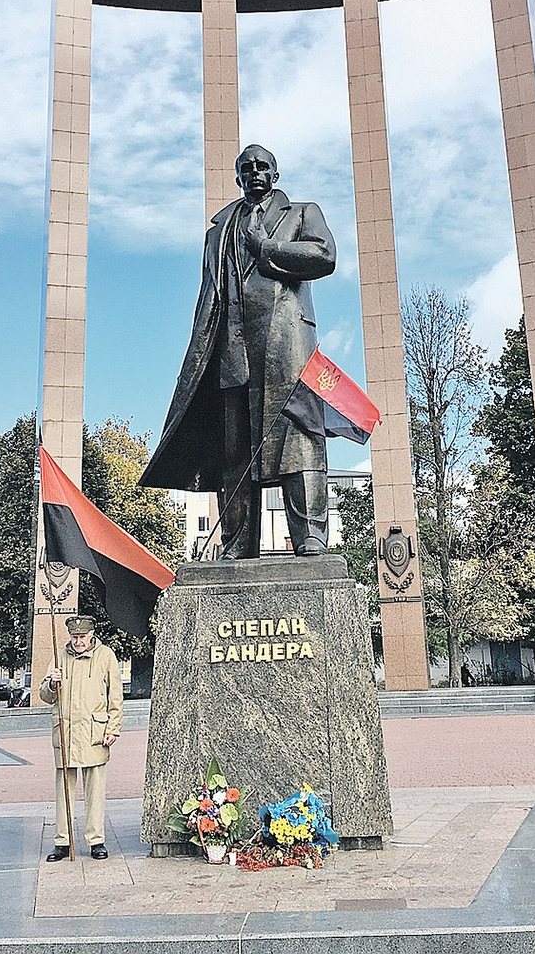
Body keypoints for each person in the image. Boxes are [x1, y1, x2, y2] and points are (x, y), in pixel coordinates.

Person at [141, 144, 337, 560]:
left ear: (276, 174)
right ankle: (237, 544)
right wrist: (199, 355)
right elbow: (207, 296)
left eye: (262, 166)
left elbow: (324, 255)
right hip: (232, 347)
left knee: (297, 438)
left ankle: (310, 538)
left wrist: (267, 249)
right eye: (246, 168)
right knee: (234, 449)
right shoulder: (218, 232)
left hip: (285, 345)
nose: (254, 172)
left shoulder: (302, 213)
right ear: (237, 177)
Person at [39, 615, 123, 861]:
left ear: (91, 634)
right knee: (64, 789)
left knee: (95, 790)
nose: (78, 642)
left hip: (94, 732)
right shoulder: (59, 656)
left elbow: (115, 695)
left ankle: (96, 841)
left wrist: (113, 727)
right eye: (74, 637)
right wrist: (52, 684)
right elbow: (45, 696)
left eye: (82, 637)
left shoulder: (105, 655)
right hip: (66, 733)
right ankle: (62, 841)